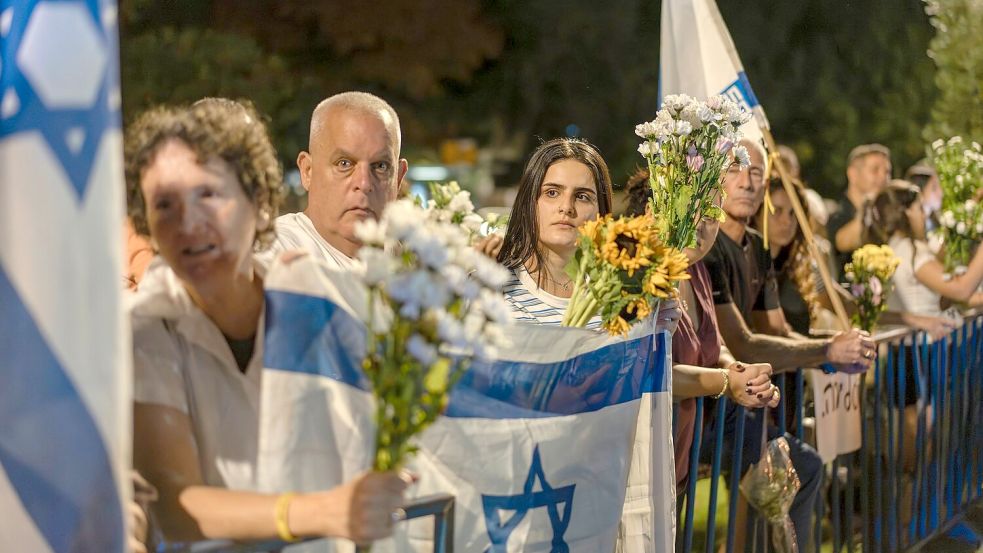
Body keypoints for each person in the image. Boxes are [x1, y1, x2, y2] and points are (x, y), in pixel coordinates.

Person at [126, 99, 411, 546]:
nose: (189, 224)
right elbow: (175, 504)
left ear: (260, 203)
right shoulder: (145, 329)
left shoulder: (316, 298)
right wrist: (323, 511)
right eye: (165, 204)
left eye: (209, 195)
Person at [704, 139, 878, 552]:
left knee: (805, 468)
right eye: (735, 169)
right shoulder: (705, 247)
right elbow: (743, 343)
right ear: (712, 178)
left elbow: (778, 331)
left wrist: (836, 348)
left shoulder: (757, 247)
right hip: (706, 408)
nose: (747, 182)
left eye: (756, 172)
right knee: (771, 478)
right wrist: (827, 352)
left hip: (747, 408)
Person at [624, 170, 777, 495]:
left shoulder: (696, 270)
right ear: (653, 211)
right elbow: (649, 372)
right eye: (686, 207)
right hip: (635, 461)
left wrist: (742, 374)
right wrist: (726, 383)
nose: (698, 223)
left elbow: (714, 344)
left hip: (677, 454)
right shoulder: (635, 275)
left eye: (710, 214)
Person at [269, 92, 408, 268]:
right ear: (308, 171)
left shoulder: (415, 261)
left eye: (381, 166)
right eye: (344, 164)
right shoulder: (274, 253)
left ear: (398, 178)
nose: (364, 183)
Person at [870, 180, 983, 316]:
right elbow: (961, 290)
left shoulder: (896, 247)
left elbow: (945, 297)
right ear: (907, 212)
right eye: (920, 208)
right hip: (928, 329)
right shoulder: (910, 251)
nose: (925, 215)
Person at [827, 144, 892, 278]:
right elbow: (843, 242)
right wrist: (868, 205)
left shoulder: (885, 215)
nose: (883, 177)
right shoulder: (837, 215)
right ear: (853, 174)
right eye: (875, 170)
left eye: (887, 172)